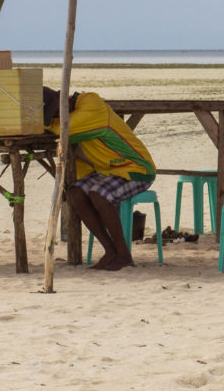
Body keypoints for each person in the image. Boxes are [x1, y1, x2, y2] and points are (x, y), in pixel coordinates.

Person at [43, 87, 156, 271]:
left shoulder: (92, 103)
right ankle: (110, 250)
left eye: (57, 110)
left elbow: (62, 129)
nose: (57, 115)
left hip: (135, 168)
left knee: (99, 195)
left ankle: (124, 254)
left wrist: (45, 124)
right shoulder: (73, 117)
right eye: (52, 114)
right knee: (76, 192)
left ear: (63, 97)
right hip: (108, 171)